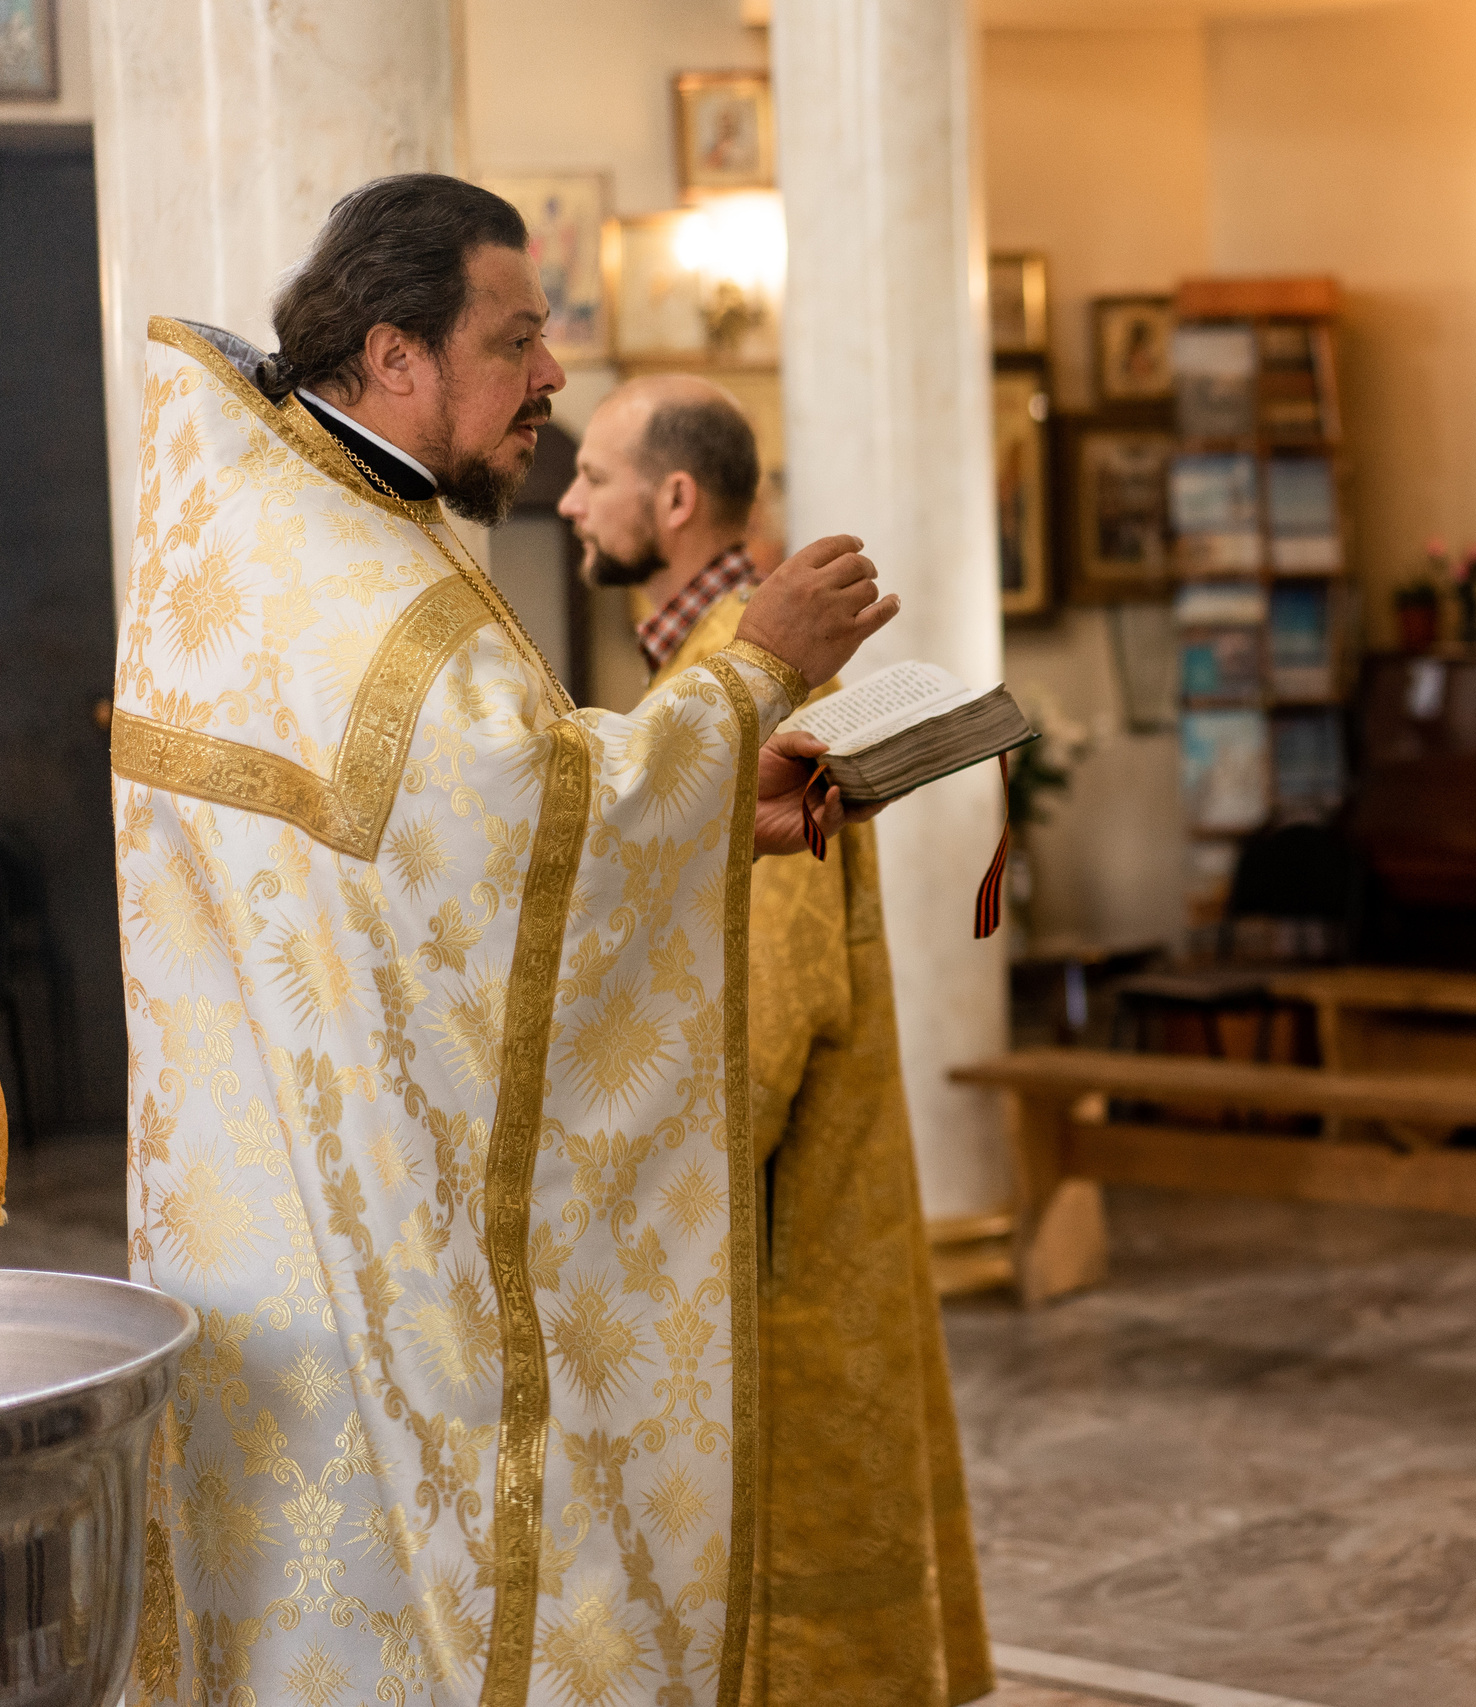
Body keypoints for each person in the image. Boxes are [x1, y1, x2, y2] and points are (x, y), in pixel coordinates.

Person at [112, 174, 894, 1706]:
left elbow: (460, 829)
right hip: (367, 1245)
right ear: (395, 352)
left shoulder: (299, 521)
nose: (553, 376)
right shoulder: (351, 570)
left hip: (284, 1203)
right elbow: (498, 802)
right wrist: (753, 682)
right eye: (520, 337)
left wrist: (717, 803)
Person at [556, 374, 996, 1705]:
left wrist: (636, 1182)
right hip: (769, 1204)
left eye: (592, 473)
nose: (568, 499)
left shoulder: (742, 693)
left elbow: (779, 990)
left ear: (672, 499)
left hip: (770, 1225)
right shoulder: (709, 681)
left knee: (789, 1610)